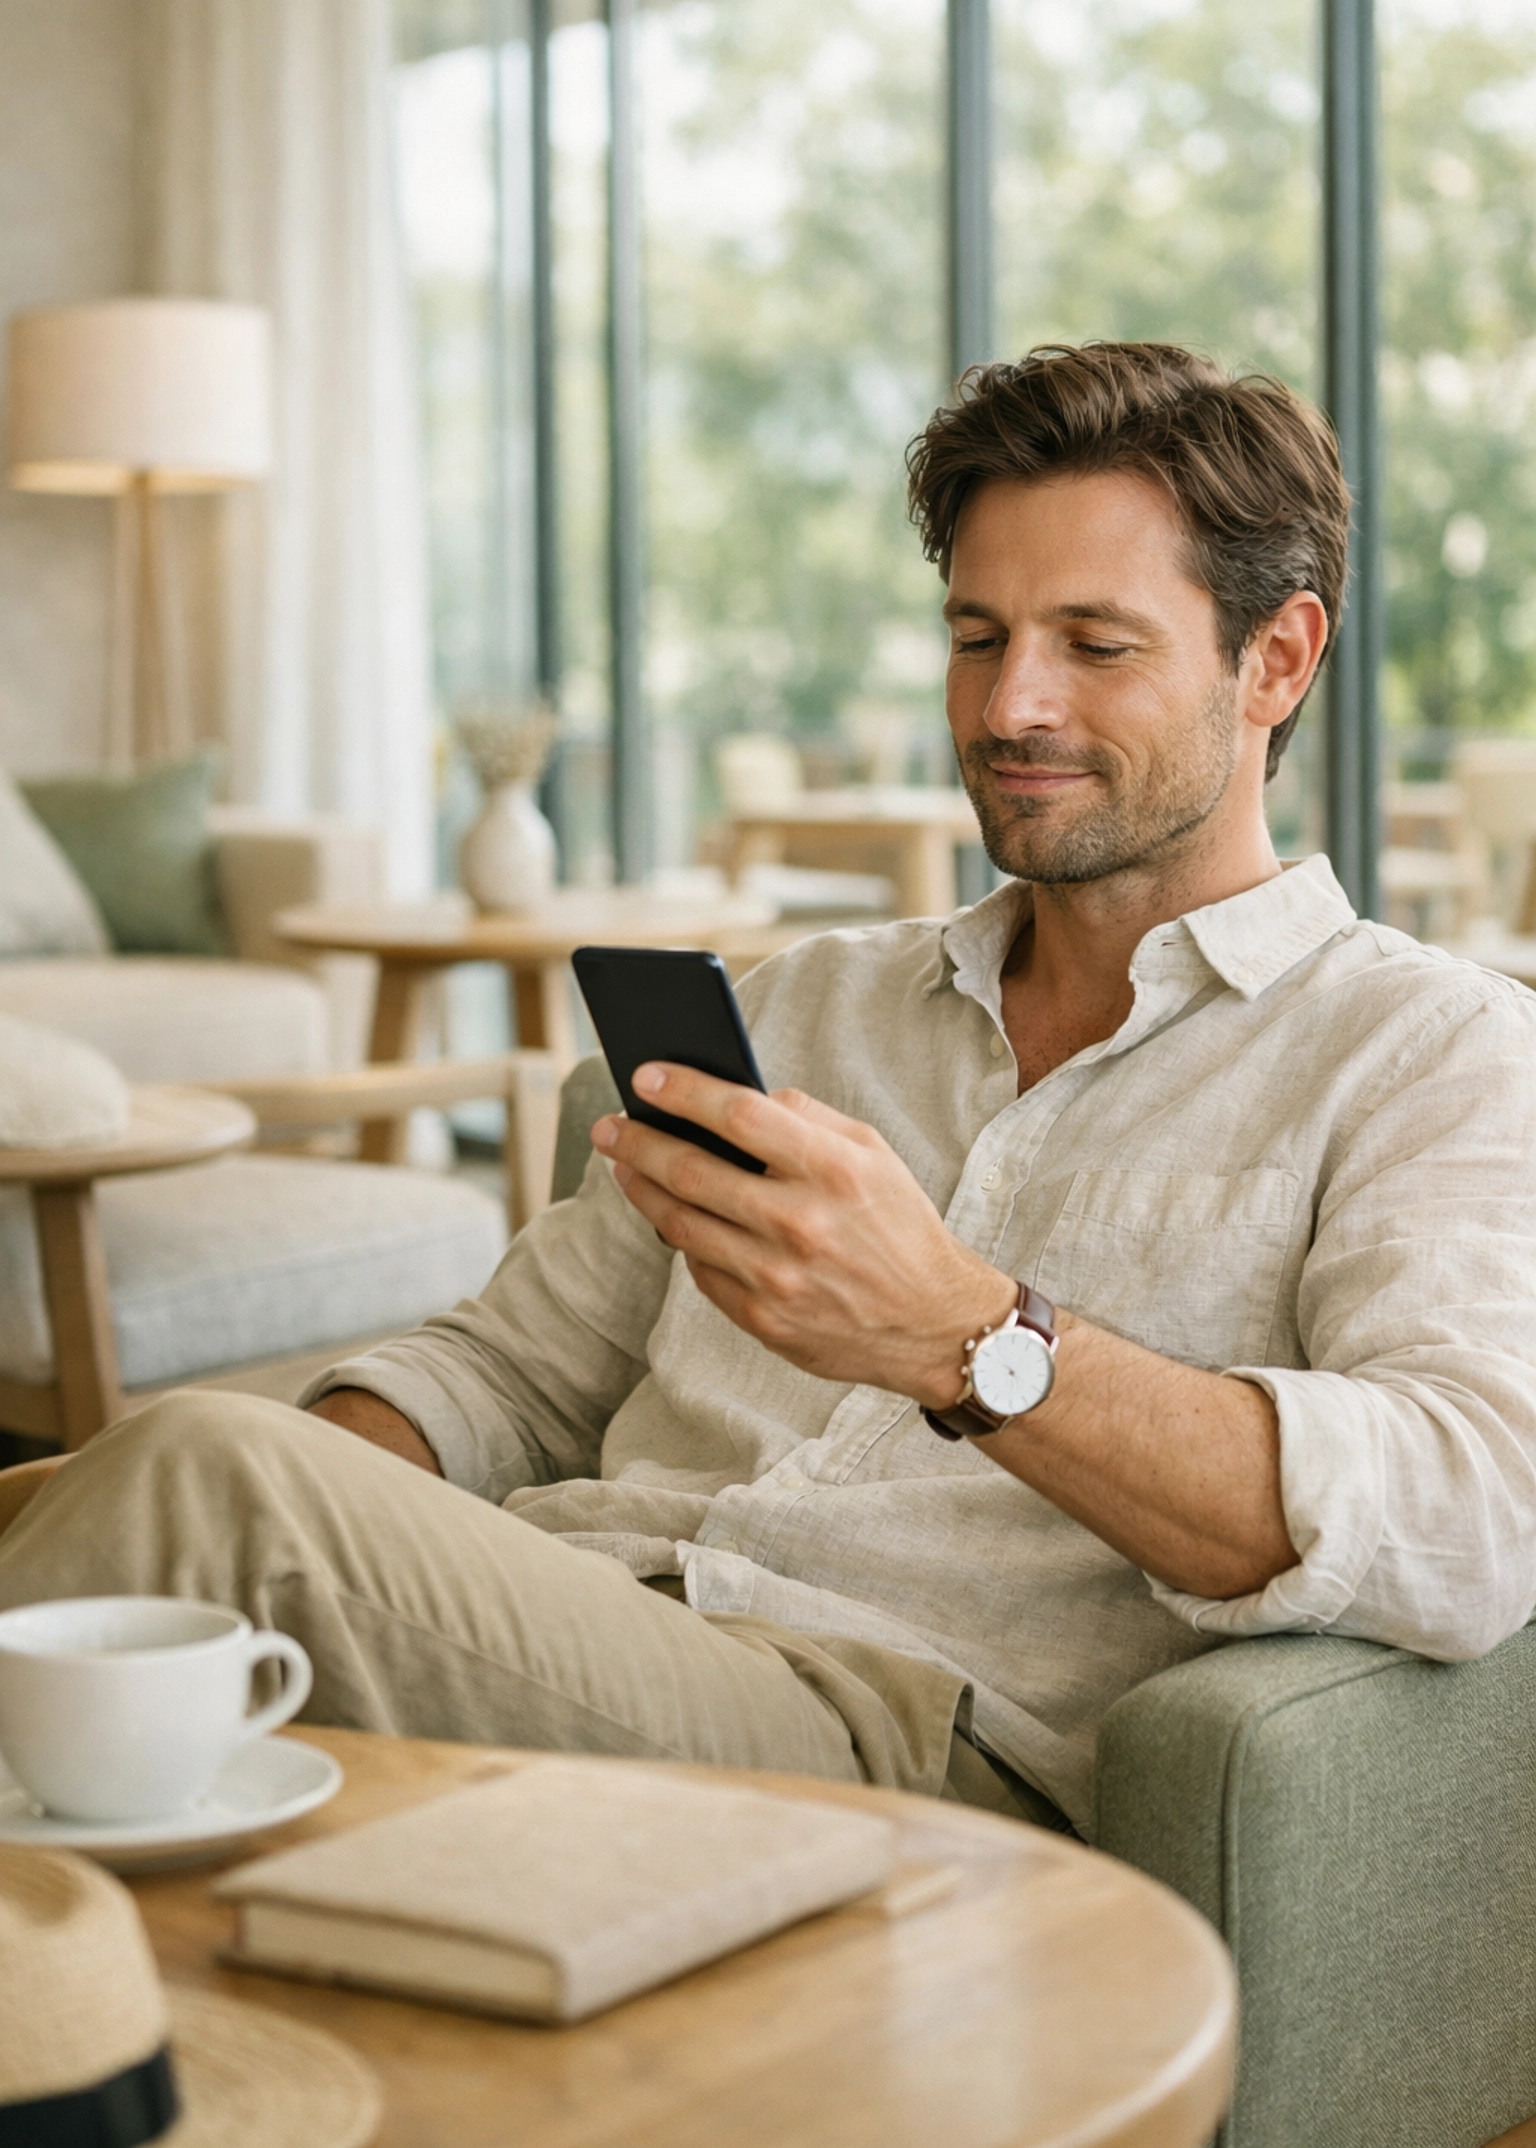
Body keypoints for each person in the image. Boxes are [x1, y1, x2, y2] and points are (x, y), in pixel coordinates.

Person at [5, 340, 1536, 1836]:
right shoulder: (803, 1004)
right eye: (978, 634)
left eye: (1096, 642)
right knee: (155, 1491)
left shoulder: (1423, 1052)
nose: (1011, 708)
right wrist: (179, 1518)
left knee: (202, 1471)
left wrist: (967, 1339)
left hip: (887, 1734)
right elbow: (511, 1376)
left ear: (1277, 659)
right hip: (569, 1613)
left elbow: (1466, 1512)